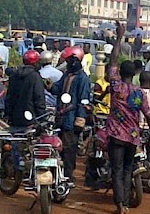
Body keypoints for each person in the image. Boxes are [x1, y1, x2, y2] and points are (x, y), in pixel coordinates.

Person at [106, 22, 150, 214]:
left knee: (116, 170)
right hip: (132, 137)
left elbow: (112, 60)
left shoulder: (116, 86)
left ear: (120, 72)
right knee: (128, 170)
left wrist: (119, 38)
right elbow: (149, 115)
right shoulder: (138, 93)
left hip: (115, 135)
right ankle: (125, 203)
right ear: (134, 74)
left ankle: (120, 205)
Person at [53, 46, 92, 187]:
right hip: (61, 117)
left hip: (71, 118)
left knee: (70, 149)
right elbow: (57, 89)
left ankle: (68, 176)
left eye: (69, 61)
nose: (67, 64)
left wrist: (79, 120)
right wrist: (48, 85)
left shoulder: (83, 79)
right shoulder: (67, 75)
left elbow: (84, 101)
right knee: (59, 147)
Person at [5, 49, 46, 127]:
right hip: (31, 119)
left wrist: (9, 115)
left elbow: (9, 97)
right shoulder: (35, 76)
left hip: (15, 119)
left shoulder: (14, 75)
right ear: (35, 63)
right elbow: (39, 98)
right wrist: (42, 118)